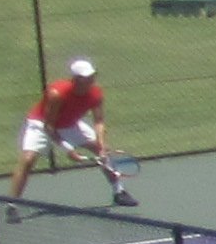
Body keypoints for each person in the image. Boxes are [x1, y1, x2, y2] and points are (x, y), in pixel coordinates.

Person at [8, 56, 132, 207]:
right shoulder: (57, 94)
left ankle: (119, 192)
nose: (91, 80)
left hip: (70, 124)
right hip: (41, 124)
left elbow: (99, 122)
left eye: (92, 76)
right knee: (27, 160)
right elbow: (49, 127)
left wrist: (102, 143)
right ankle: (12, 204)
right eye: (86, 78)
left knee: (101, 151)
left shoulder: (96, 93)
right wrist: (68, 149)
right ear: (76, 79)